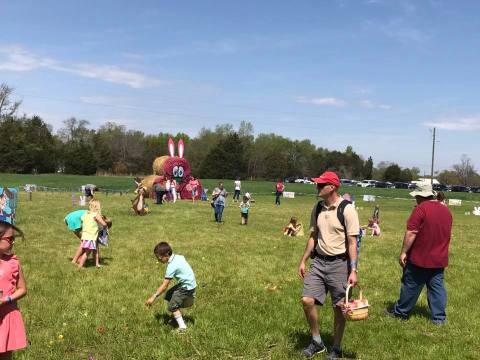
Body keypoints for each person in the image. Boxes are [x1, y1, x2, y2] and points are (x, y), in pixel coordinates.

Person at [298, 171, 359, 359]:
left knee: (339, 308)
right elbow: (313, 236)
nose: (317, 187)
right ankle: (317, 341)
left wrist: (354, 270)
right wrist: (303, 259)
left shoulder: (347, 209)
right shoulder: (317, 208)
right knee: (307, 300)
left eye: (320, 185)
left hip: (339, 265)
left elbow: (352, 242)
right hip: (318, 262)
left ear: (332, 187)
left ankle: (337, 348)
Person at [386, 183, 453, 325]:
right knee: (437, 288)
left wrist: (403, 252)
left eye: (416, 195)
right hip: (439, 258)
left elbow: (411, 232)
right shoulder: (446, 210)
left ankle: (401, 313)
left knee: (410, 286)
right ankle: (439, 318)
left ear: (420, 196)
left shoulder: (420, 209)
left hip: (420, 258)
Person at [145, 242, 197, 332]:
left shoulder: (171, 266)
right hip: (190, 283)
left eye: (159, 258)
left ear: (166, 254)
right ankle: (176, 317)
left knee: (172, 306)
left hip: (186, 287)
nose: (158, 260)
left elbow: (164, 285)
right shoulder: (179, 257)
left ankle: (182, 328)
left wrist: (153, 297)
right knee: (169, 295)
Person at [0, 219, 27, 359]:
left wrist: (7, 299)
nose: (13, 242)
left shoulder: (13, 262)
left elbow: (22, 289)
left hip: (6, 316)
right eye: (10, 239)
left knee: (4, 354)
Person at [77, 200, 108, 268]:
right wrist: (105, 225)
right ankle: (80, 266)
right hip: (91, 237)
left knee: (88, 249)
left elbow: (82, 220)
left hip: (84, 235)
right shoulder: (95, 215)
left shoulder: (86, 214)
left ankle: (96, 264)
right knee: (87, 252)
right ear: (97, 207)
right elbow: (104, 224)